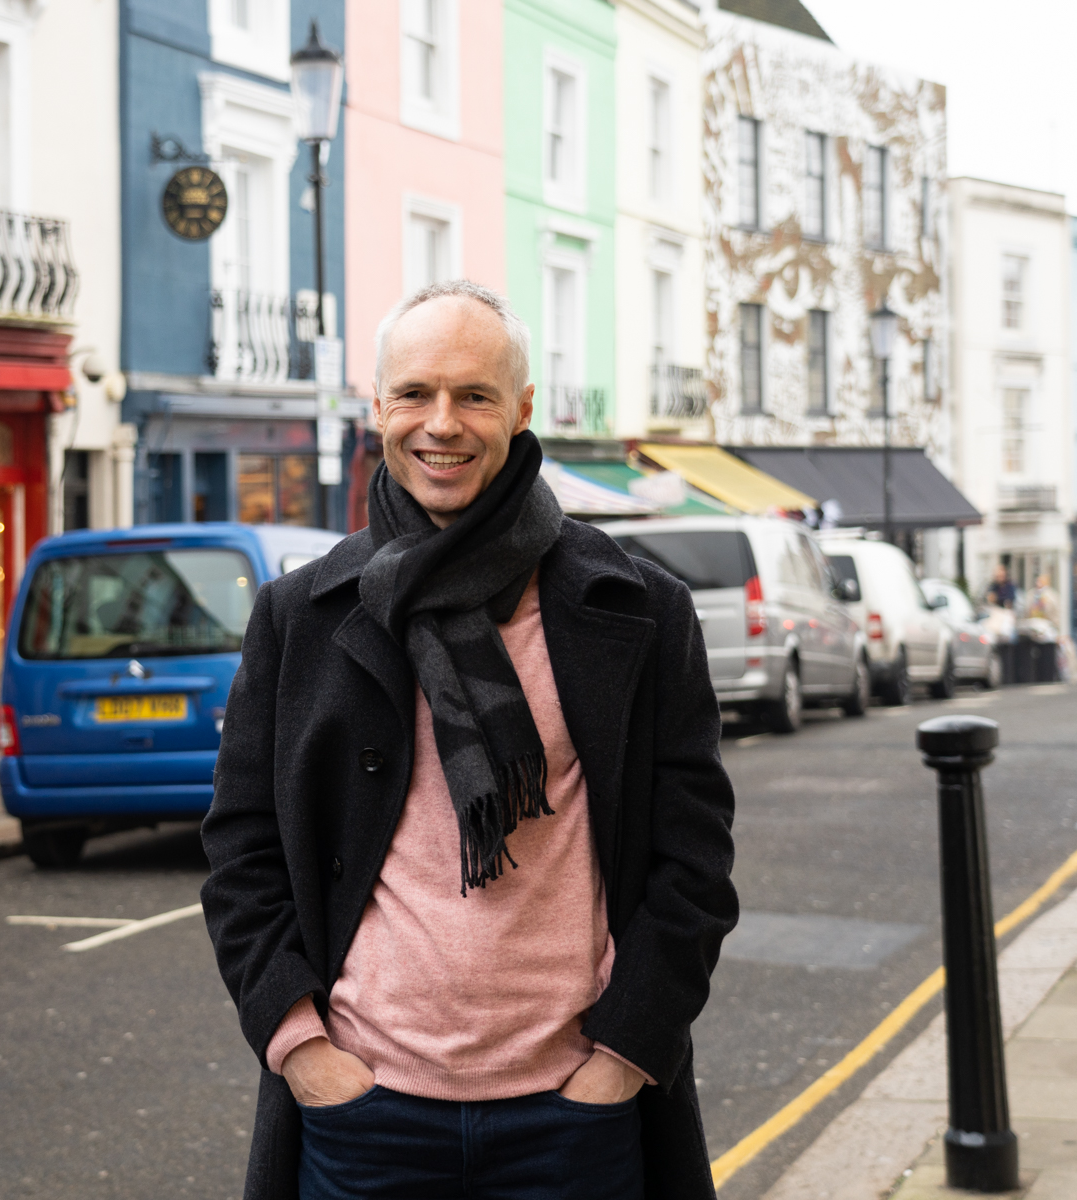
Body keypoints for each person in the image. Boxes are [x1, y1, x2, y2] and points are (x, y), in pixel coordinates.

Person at [200, 281, 738, 1200]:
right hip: (365, 1116)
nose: (439, 423)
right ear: (378, 407)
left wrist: (621, 1060)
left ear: (522, 409)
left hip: (572, 1116)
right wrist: (303, 1052)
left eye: (474, 396)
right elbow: (241, 849)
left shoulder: (638, 609)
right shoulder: (302, 616)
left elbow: (693, 861)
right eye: (414, 393)